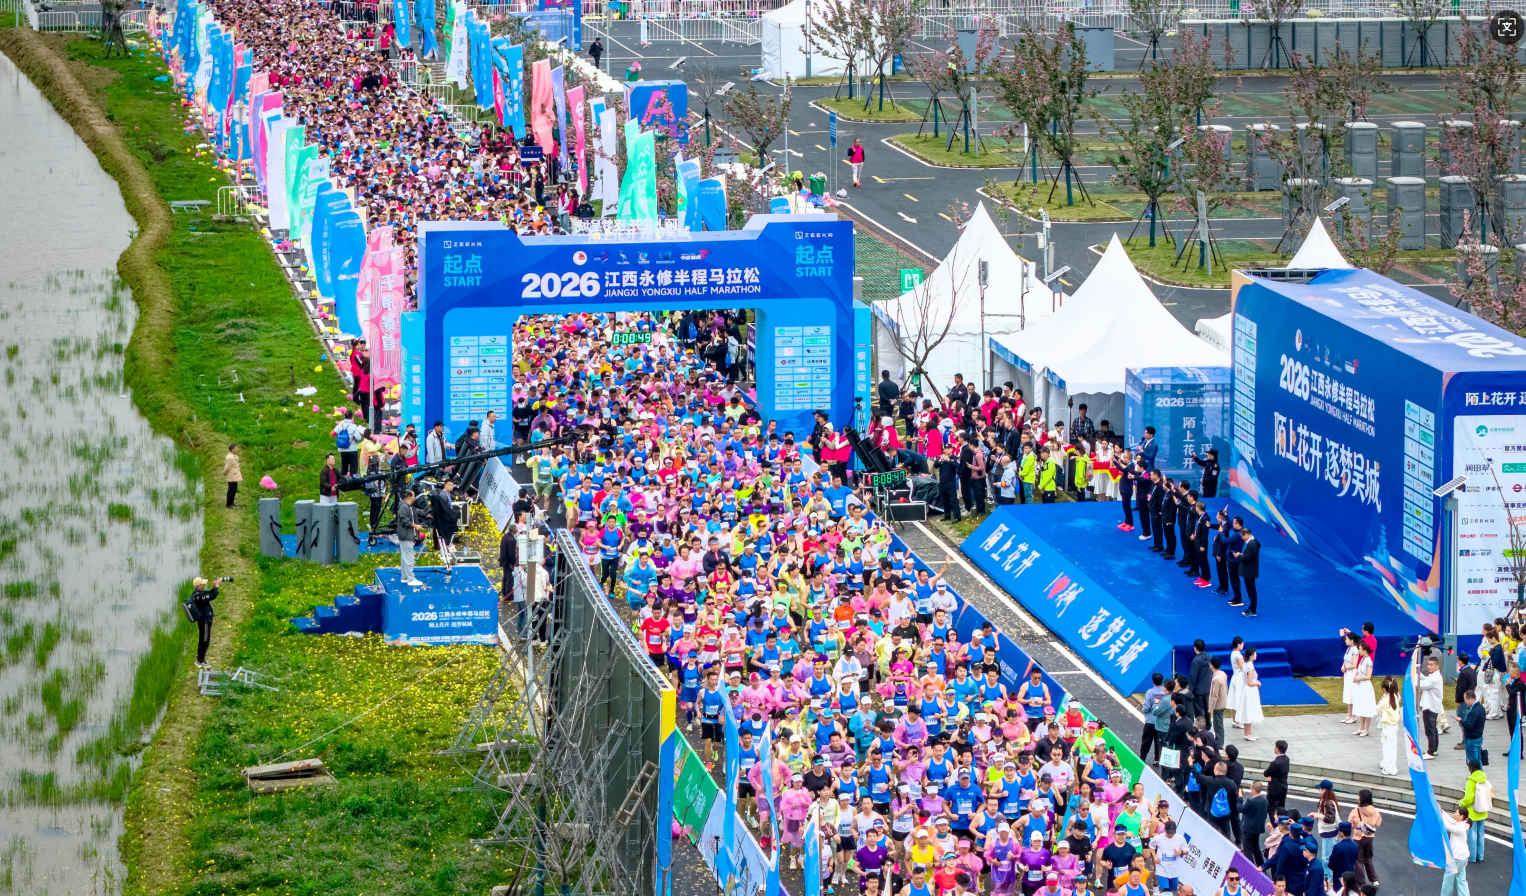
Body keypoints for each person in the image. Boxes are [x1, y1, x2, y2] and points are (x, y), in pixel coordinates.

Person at [1346, 790, 1381, 888]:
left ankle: (1361, 882)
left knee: (1359, 860)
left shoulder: (1356, 811)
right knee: (1368, 859)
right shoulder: (1375, 811)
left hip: (1358, 837)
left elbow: (1350, 824)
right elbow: (1377, 823)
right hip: (1369, 837)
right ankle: (1374, 879)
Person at [1459, 759, 1491, 863]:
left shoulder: (1471, 780)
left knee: (1472, 835)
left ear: (1470, 768)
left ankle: (1472, 857)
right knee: (1481, 834)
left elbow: (1469, 798)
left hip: (1473, 812)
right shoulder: (1484, 779)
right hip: (1483, 811)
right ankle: (1480, 856)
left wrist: (1461, 803)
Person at [189, 576, 224, 669]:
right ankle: (200, 660)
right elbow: (213, 595)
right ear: (198, 586)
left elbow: (209, 593)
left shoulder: (200, 593)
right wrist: (216, 587)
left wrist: (214, 587)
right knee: (204, 640)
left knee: (205, 640)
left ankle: (200, 660)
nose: (204, 585)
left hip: (206, 620)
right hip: (204, 621)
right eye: (202, 584)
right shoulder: (198, 596)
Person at [1440, 803, 1471, 896]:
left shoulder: (1460, 828)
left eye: (1456, 812)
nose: (1454, 813)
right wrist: (1441, 811)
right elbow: (1450, 820)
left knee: (1448, 879)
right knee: (1461, 878)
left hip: (1456, 857)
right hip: (1463, 857)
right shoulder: (1462, 824)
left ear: (1461, 816)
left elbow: (1447, 825)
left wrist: (1439, 814)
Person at [396, 487, 422, 588]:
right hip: (406, 535)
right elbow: (404, 520)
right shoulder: (404, 507)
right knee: (409, 557)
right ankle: (411, 578)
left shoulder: (407, 506)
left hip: (405, 534)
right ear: (410, 496)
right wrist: (415, 526)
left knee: (404, 557)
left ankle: (405, 576)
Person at [1419, 654, 1444, 759]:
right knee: (1433, 729)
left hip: (1430, 706)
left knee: (1430, 730)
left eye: (1431, 665)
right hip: (1431, 706)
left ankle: (1430, 752)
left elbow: (1422, 684)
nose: (1429, 667)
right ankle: (1434, 749)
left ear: (1437, 666)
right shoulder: (1434, 676)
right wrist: (1418, 673)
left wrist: (1414, 676)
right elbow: (1424, 680)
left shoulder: (1435, 678)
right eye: (1428, 664)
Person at [1350, 642, 1376, 737]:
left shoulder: (1368, 661)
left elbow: (1368, 676)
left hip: (1365, 687)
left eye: (1360, 649)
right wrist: (1355, 675)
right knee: (1361, 706)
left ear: (1364, 650)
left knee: (1366, 707)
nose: (1359, 651)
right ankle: (1361, 727)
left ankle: (1366, 728)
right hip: (1360, 686)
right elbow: (1358, 669)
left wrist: (1358, 678)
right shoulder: (1362, 660)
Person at [1239, 781, 1268, 865]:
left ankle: (1250, 867)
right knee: (1256, 848)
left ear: (1253, 790)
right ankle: (1261, 866)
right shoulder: (1264, 800)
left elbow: (1240, 808)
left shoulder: (1251, 802)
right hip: (1257, 829)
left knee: (1248, 850)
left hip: (1248, 829)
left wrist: (1240, 798)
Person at [1378, 677, 1402, 776]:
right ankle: (1388, 764)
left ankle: (1390, 767)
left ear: (1384, 689)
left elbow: (1378, 710)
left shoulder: (1385, 700)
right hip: (1393, 726)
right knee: (1391, 747)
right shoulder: (1395, 697)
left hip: (1388, 726)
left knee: (1388, 747)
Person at [1457, 688, 1485, 766]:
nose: (1465, 702)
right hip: (1478, 736)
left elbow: (1469, 726)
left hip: (1472, 739)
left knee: (1472, 761)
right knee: (1478, 760)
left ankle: (1475, 776)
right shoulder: (1481, 708)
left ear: (1471, 699)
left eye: (1466, 700)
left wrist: (1461, 721)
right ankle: (1480, 776)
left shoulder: (1474, 711)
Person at [333, 408, 363, 477]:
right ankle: (352, 481)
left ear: (344, 417)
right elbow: (358, 438)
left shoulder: (339, 426)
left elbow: (333, 434)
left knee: (344, 466)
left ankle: (343, 481)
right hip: (352, 449)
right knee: (353, 467)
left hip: (342, 449)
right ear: (352, 418)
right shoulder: (353, 426)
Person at [1188, 640, 1212, 725]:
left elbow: (1193, 677)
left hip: (1198, 690)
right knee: (1207, 709)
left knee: (1199, 711)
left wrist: (1190, 690)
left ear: (1195, 648)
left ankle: (1200, 726)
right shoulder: (1209, 657)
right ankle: (1208, 724)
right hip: (1207, 688)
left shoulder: (1196, 661)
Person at [1208, 656, 1229, 745]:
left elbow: (1214, 695)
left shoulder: (1216, 679)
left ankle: (1219, 743)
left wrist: (1211, 708)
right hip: (1222, 702)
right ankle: (1218, 741)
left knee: (1218, 725)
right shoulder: (1223, 674)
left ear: (1211, 665)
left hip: (1218, 705)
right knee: (1218, 723)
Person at [223, 443, 242, 508]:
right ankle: (229, 504)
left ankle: (232, 502)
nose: (237, 449)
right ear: (232, 449)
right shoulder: (230, 458)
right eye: (235, 448)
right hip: (232, 475)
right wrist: (225, 472)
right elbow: (227, 467)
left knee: (234, 489)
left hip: (234, 475)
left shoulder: (233, 455)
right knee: (231, 490)